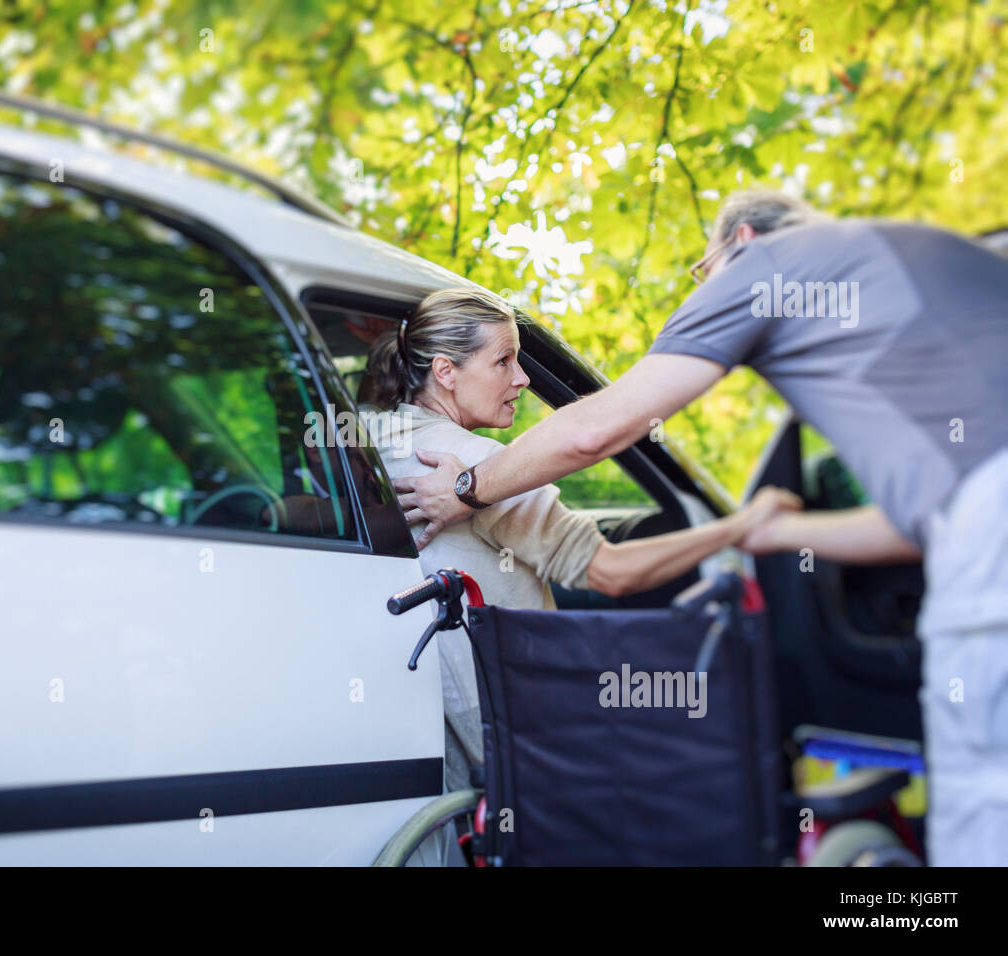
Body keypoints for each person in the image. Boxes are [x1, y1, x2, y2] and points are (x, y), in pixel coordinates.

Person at [393, 192, 1008, 866]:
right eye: (503, 363)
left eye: (702, 272)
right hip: (977, 527)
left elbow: (598, 429)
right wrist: (760, 534)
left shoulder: (765, 265)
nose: (706, 292)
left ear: (740, 239)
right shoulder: (919, 253)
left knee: (986, 804)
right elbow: (917, 527)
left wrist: (465, 488)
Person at [358, 286, 801, 793]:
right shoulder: (480, 466)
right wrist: (740, 527)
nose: (522, 378)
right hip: (519, 732)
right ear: (445, 371)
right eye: (504, 361)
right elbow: (611, 573)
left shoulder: (371, 440)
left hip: (437, 728)